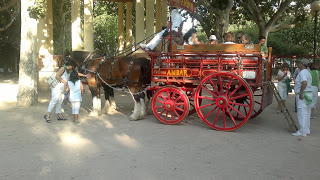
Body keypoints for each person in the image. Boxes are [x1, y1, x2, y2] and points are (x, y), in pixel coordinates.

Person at [292, 58, 313, 137]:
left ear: (302, 64)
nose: (298, 64)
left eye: (299, 63)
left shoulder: (302, 73)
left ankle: (302, 131)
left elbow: (304, 82)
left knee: (302, 113)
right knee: (307, 113)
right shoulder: (307, 72)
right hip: (308, 94)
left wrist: (301, 92)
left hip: (303, 95)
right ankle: (306, 130)